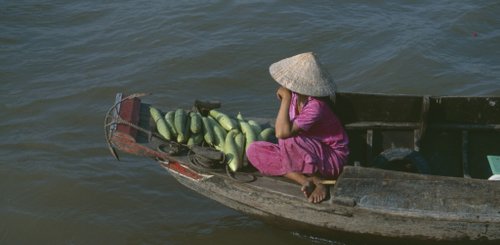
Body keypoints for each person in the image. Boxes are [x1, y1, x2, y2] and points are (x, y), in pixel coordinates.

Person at [246, 52, 349, 204]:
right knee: (253, 150)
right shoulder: (295, 97)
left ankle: (319, 180)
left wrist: (285, 98)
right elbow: (283, 128)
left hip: (331, 158)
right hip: (306, 151)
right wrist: (288, 99)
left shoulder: (316, 106)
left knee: (286, 139)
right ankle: (304, 180)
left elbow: (282, 132)